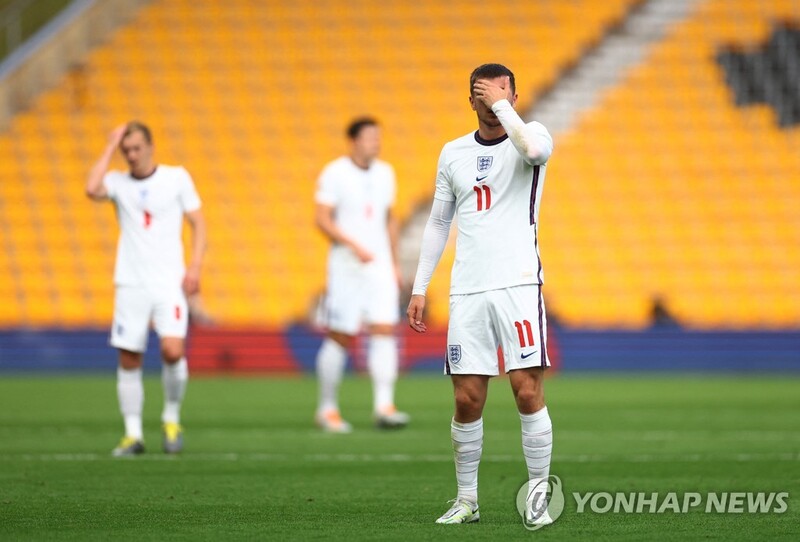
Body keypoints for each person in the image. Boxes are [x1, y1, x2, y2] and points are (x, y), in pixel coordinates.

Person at [407, 64, 555, 525]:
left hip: (518, 284)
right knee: (467, 399)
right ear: (469, 100)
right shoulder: (452, 153)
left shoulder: (533, 133)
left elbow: (530, 150)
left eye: (501, 91)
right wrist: (419, 287)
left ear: (512, 95)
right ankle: (466, 500)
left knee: (526, 390)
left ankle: (537, 499)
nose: (491, 100)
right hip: (467, 289)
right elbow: (437, 224)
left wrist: (503, 105)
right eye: (483, 94)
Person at [85, 121, 207, 456]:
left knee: (173, 351)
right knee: (129, 357)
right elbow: (90, 187)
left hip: (169, 281)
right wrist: (110, 146)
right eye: (127, 151)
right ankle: (133, 434)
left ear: (151, 145)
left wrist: (195, 266)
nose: (132, 155)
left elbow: (198, 222)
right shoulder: (117, 182)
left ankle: (171, 417)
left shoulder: (176, 177)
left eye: (137, 148)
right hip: (131, 282)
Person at [313, 117, 410, 433]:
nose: (376, 143)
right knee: (342, 334)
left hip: (379, 264)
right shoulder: (335, 172)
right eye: (370, 137)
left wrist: (394, 263)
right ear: (353, 140)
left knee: (384, 329)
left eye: (378, 137)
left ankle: (385, 405)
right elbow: (322, 220)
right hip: (346, 264)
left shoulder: (386, 173)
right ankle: (327, 408)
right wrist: (353, 244)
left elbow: (388, 219)